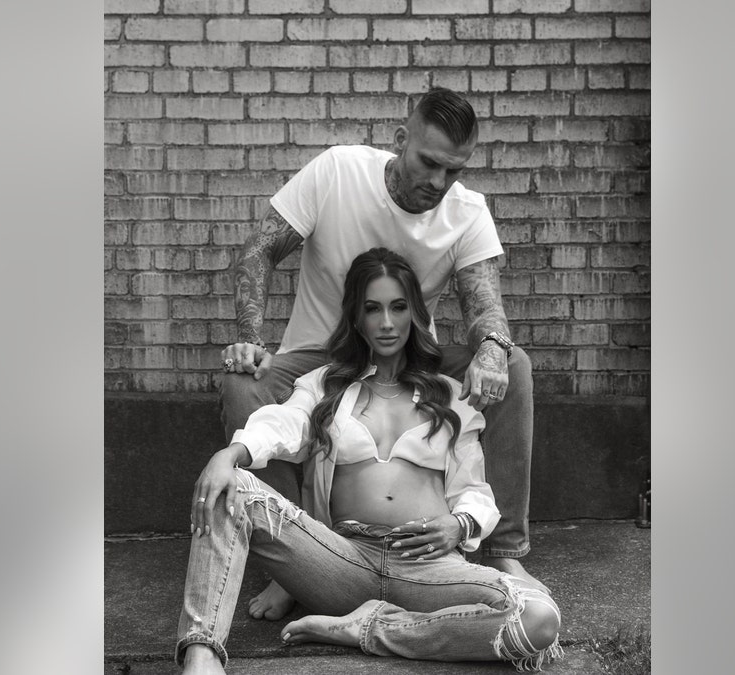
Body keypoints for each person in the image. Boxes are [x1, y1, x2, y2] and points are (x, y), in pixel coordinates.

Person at [218, 87, 539, 621]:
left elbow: (486, 306)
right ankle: (296, 566)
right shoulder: (337, 172)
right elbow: (258, 251)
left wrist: (492, 348)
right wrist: (251, 337)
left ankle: (503, 552)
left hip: (410, 354)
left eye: (453, 171)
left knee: (516, 367)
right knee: (241, 386)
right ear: (400, 142)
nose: (438, 182)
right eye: (429, 162)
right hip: (318, 355)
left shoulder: (467, 212)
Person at [179, 249, 561, 674]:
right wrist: (230, 454)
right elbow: (284, 425)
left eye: (398, 308)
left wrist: (460, 524)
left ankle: (368, 628)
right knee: (228, 487)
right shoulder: (327, 385)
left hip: (428, 567)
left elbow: (474, 490)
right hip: (340, 559)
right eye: (372, 309)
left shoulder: (450, 395)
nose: (386, 322)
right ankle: (202, 654)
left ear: (414, 313)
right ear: (356, 318)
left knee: (537, 617)